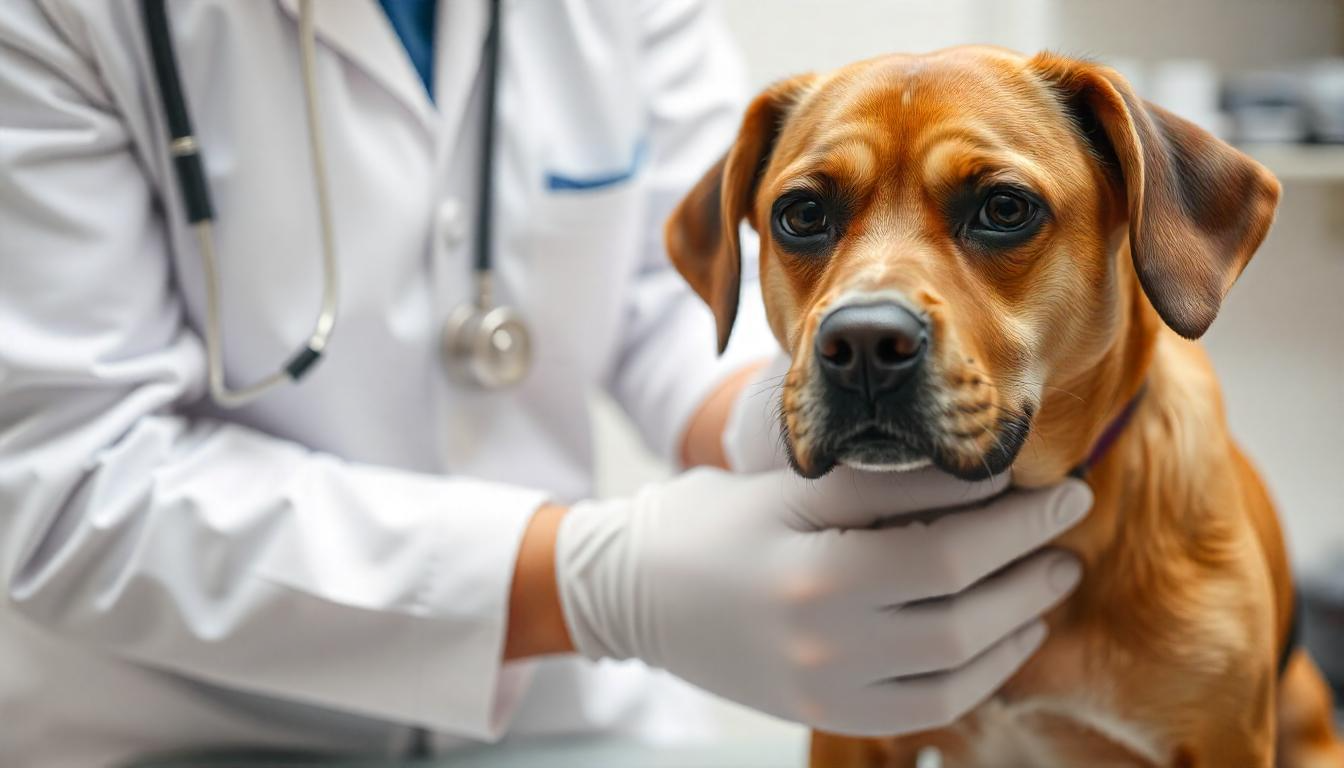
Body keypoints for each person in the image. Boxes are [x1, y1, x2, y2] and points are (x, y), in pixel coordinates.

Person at [0, 1, 1092, 765]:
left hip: (566, 731)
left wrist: (813, 417)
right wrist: (594, 583)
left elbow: (682, 292)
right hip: (184, 728)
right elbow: (61, 480)